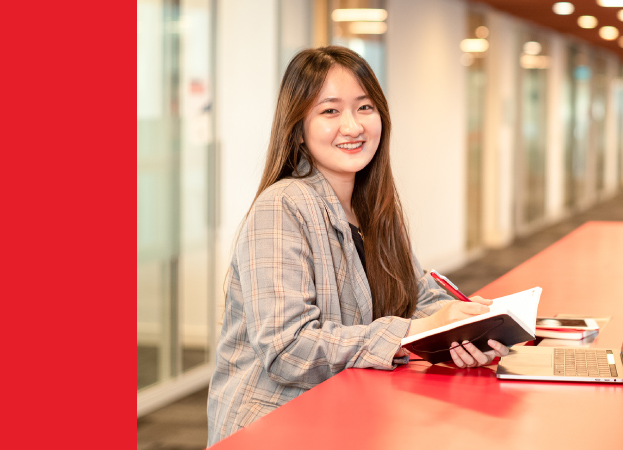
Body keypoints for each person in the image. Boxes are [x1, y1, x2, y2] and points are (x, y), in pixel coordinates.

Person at [206, 46, 509, 445]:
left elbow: (416, 295)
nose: (352, 126)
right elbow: (287, 348)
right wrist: (410, 334)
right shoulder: (282, 206)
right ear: (298, 127)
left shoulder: (375, 208)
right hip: (276, 426)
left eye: (364, 108)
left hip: (348, 414)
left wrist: (462, 326)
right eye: (330, 111)